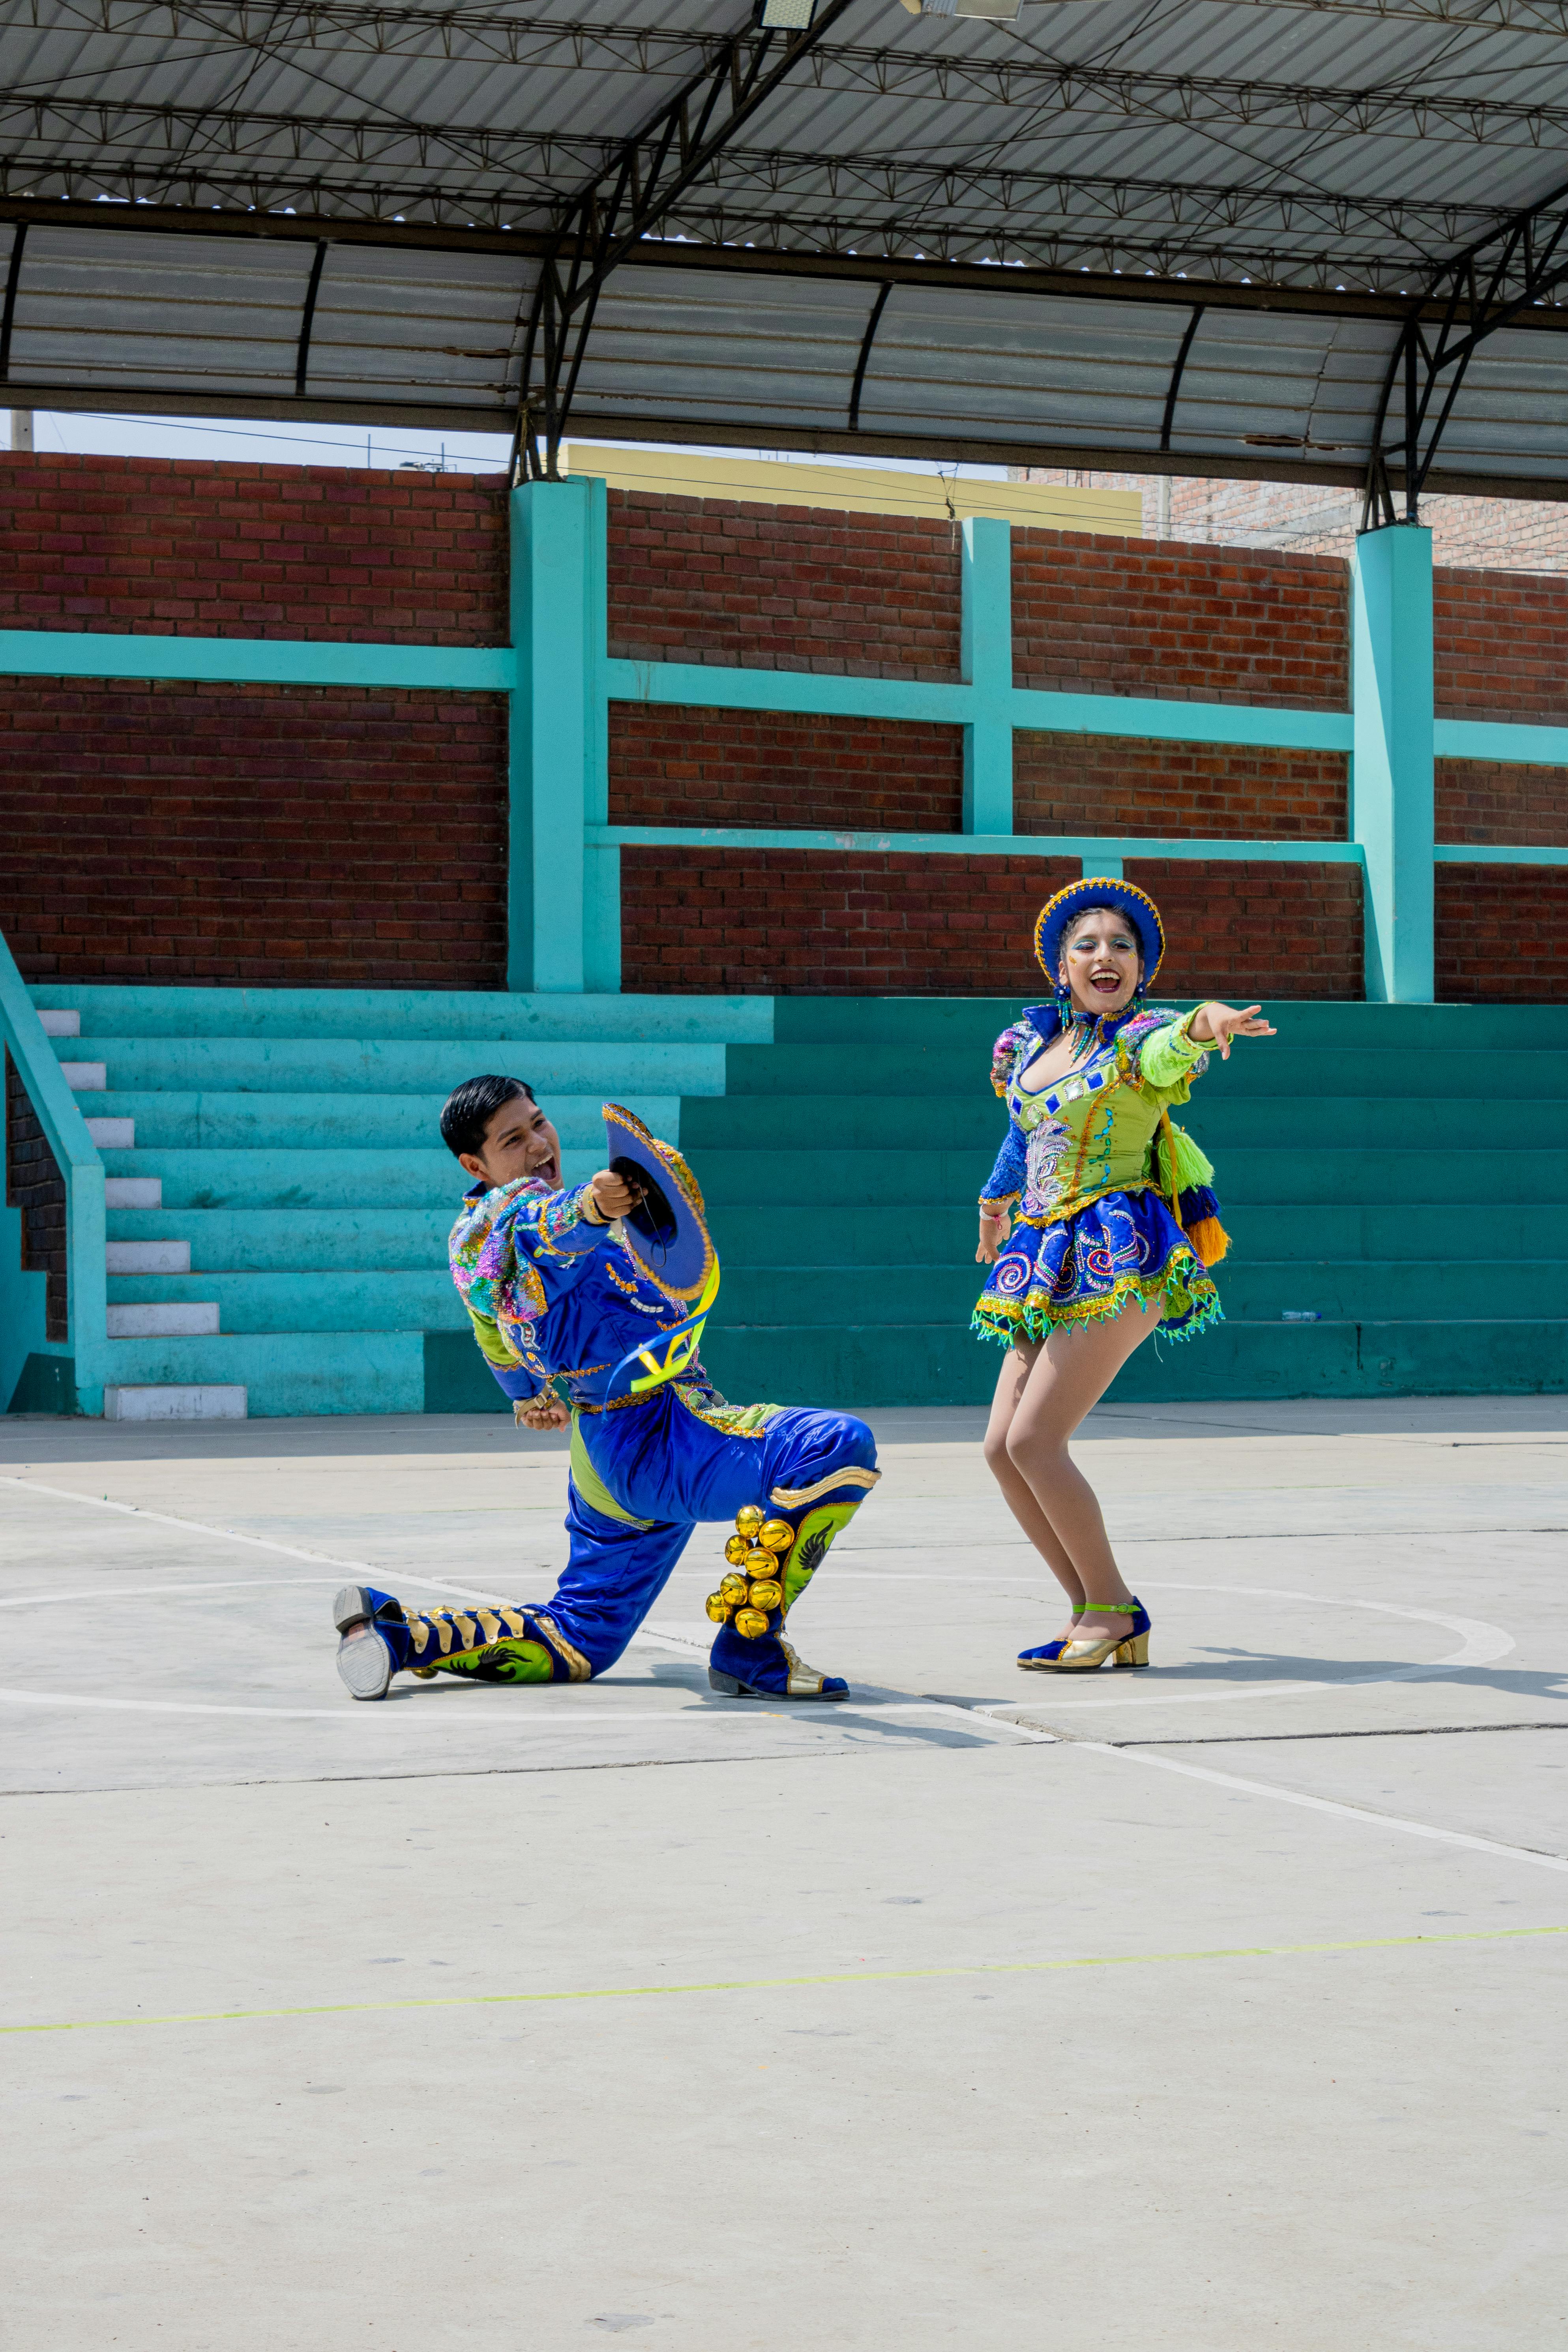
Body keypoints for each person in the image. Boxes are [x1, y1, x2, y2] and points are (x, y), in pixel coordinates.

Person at [331, 1074, 878, 1703]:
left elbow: (489, 1332)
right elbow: (549, 1227)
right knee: (833, 1445)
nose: (539, 1144)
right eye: (513, 1139)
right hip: (661, 1438)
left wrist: (527, 1396)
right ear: (474, 1165)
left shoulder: (477, 1247)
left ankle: (396, 1636)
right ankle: (750, 1647)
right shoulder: (519, 1221)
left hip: (603, 1449)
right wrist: (593, 1206)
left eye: (538, 1122)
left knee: (582, 1635)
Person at [973, 879, 1274, 1674]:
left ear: (1141, 968)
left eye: (1121, 946)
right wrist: (993, 1206)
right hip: (1042, 1258)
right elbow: (1021, 1134)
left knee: (1036, 1440)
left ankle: (1110, 1607)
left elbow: (1178, 1041)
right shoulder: (1031, 1048)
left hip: (1119, 1252)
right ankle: (1094, 1610)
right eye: (1087, 945)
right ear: (1061, 968)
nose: (1104, 956)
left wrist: (1209, 1021)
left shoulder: (1138, 1042)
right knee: (1001, 1448)